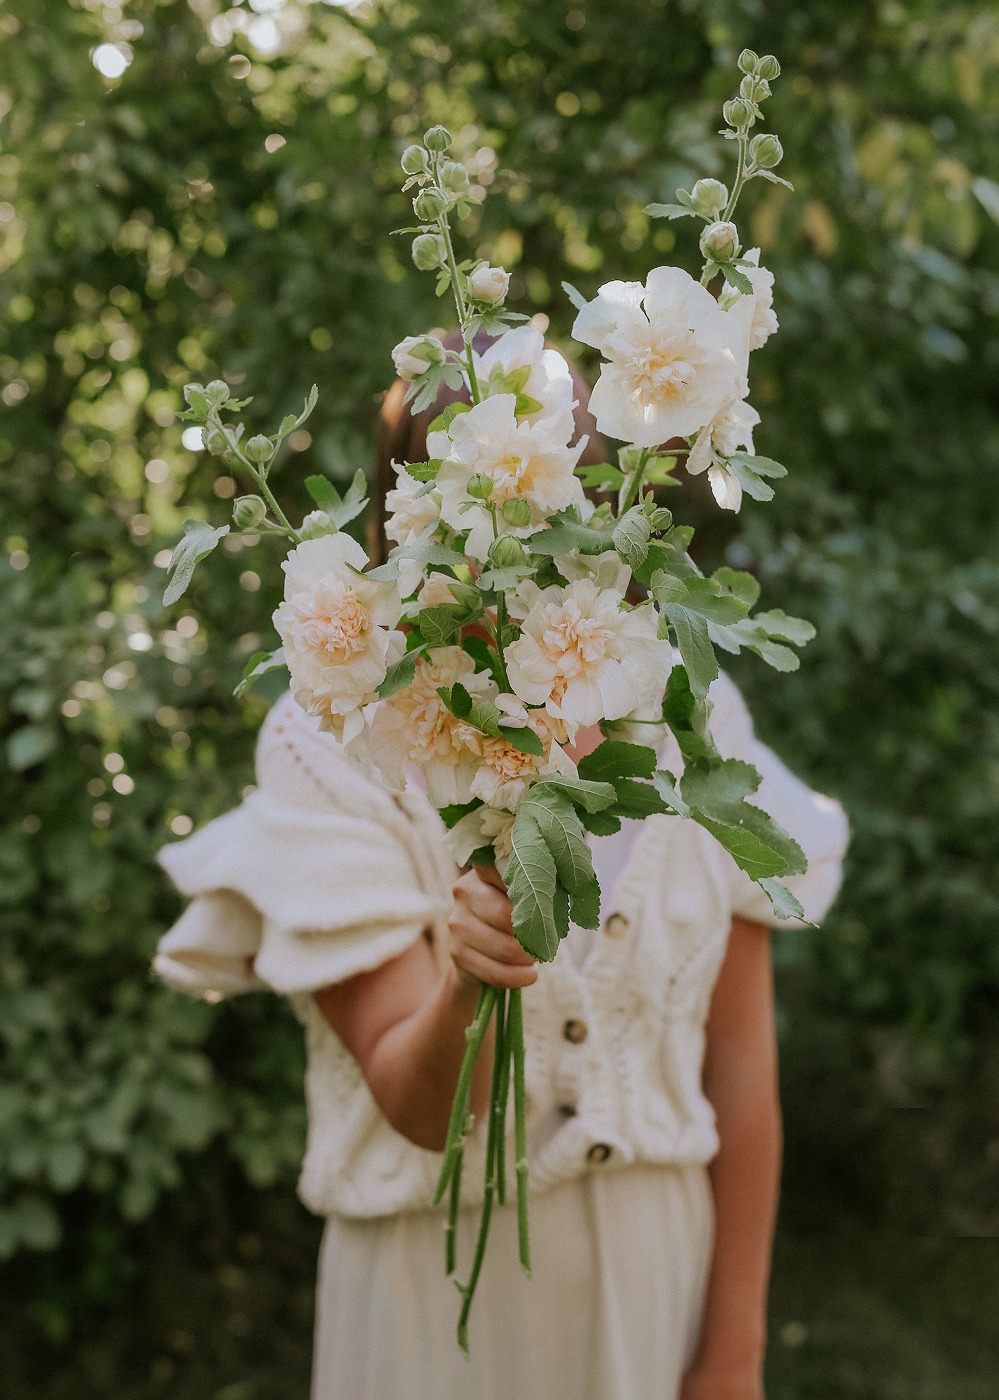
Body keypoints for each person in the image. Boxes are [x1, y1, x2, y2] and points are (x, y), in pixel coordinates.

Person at [154, 346, 849, 1400]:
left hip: (661, 1288)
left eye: (578, 451)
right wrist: (474, 974)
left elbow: (742, 1073)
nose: (555, 491)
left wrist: (732, 1354)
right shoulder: (334, 733)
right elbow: (423, 1108)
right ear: (420, 506)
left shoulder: (679, 708)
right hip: (434, 1311)